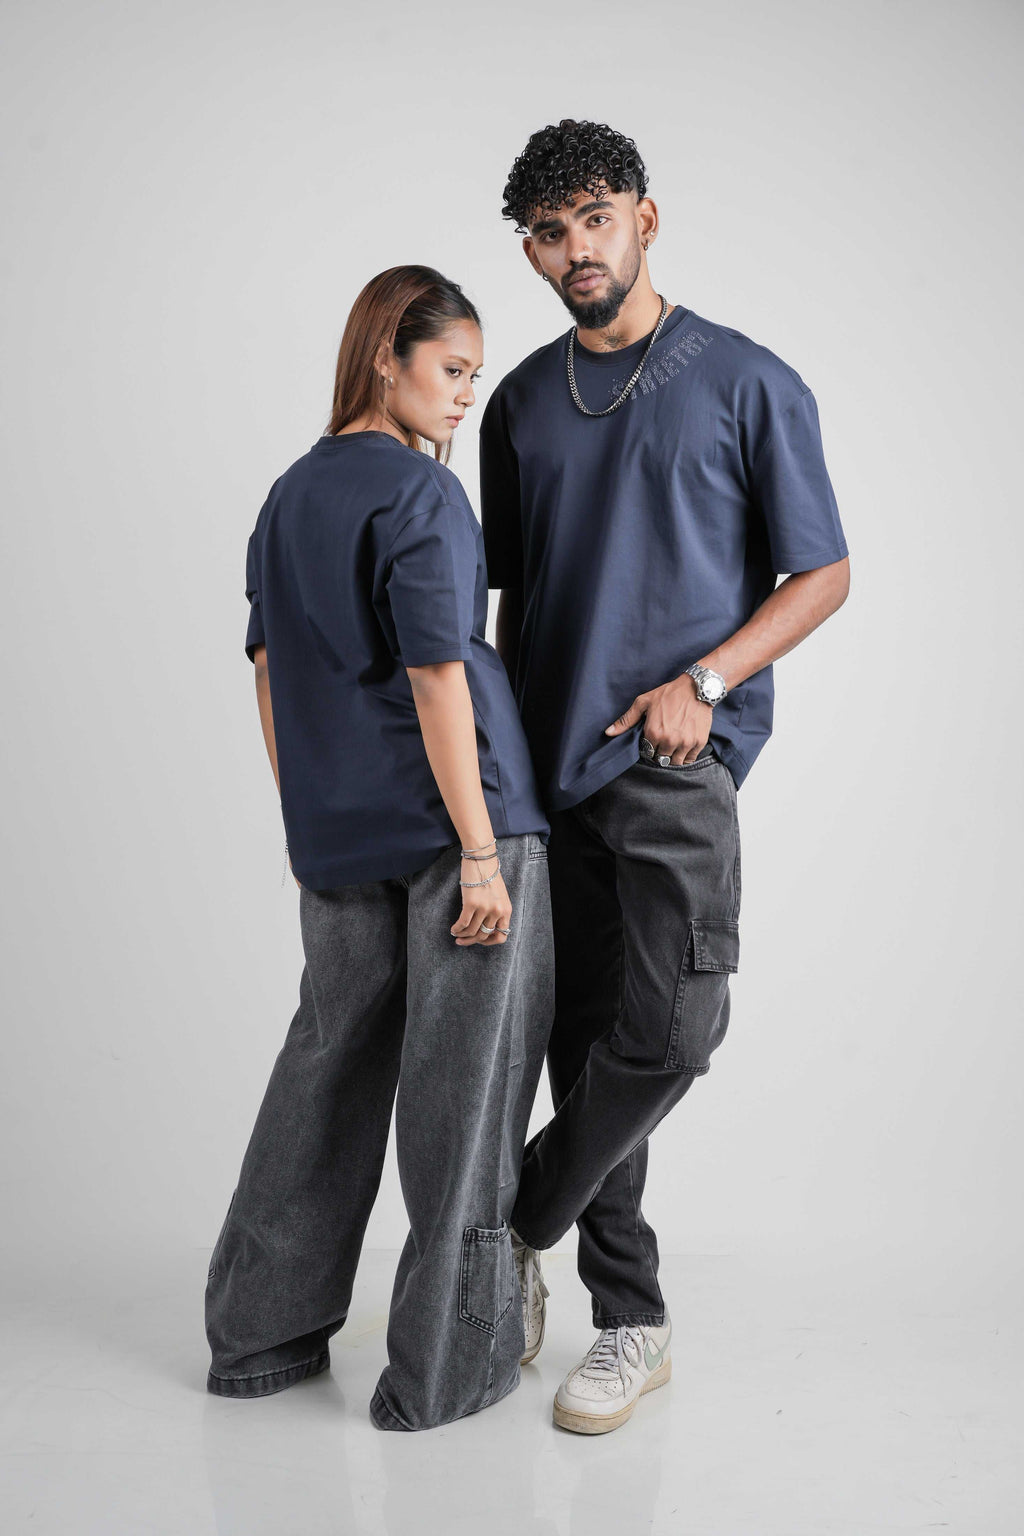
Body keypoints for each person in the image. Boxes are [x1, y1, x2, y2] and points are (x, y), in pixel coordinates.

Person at [480, 120, 851, 1435]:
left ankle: (509, 1218)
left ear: (646, 215)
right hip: (546, 772)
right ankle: (627, 1322)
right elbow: (519, 601)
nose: (574, 250)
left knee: (676, 1026)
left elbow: (824, 574)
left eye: (592, 218)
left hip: (674, 760)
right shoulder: (521, 404)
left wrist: (703, 686)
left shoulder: (747, 382)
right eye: (546, 232)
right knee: (580, 1046)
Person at [205, 265, 554, 1433]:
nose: (464, 395)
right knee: (464, 1096)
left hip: (339, 834)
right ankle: (445, 1373)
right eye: (451, 370)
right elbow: (438, 671)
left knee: (326, 1066)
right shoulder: (420, 496)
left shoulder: (288, 496)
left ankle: (257, 1334)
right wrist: (479, 854)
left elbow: (268, 672)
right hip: (466, 825)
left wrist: (308, 810)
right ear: (385, 361)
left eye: (473, 374)